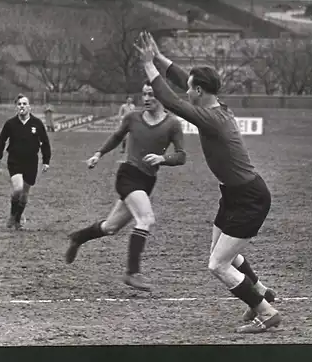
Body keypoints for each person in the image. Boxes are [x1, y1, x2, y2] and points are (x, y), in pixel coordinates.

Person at [134, 31, 280, 333]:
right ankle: (261, 293)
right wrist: (160, 58)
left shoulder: (211, 118)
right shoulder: (216, 107)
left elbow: (171, 101)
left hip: (249, 197)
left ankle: (265, 312)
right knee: (225, 253)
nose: (187, 91)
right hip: (234, 194)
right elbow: (186, 81)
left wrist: (149, 66)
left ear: (200, 91)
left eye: (191, 88)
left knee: (217, 265)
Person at [65, 80, 186, 291]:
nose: (147, 99)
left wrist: (162, 159)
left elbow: (181, 156)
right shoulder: (132, 117)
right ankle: (132, 272)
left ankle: (78, 237)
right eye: (144, 94)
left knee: (110, 227)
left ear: (162, 97)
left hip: (147, 181)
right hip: (128, 175)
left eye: (151, 95)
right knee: (146, 219)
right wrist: (98, 154)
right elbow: (116, 136)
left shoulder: (173, 124)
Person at [0, 94, 51, 230]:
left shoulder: (37, 123)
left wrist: (46, 160)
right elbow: (2, 141)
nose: (22, 106)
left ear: (29, 107)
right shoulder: (10, 124)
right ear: (16, 107)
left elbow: (45, 143)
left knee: (24, 194)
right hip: (15, 160)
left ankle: (18, 218)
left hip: (31, 162)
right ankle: (13, 215)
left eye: (25, 104)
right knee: (17, 188)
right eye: (19, 104)